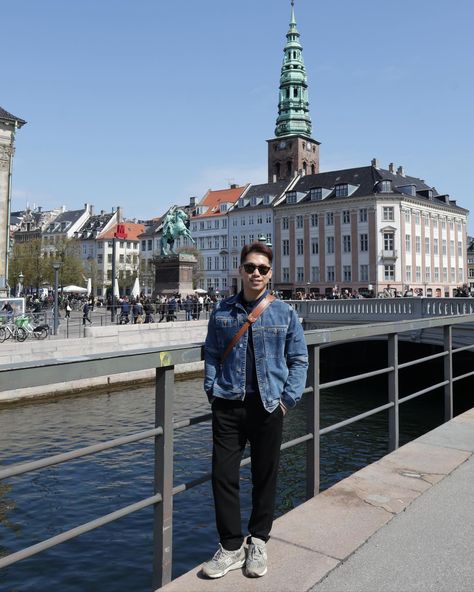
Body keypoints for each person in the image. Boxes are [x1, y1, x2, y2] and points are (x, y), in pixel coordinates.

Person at [202, 242, 308, 580]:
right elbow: (211, 355)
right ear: (240, 270)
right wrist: (212, 392)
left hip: (267, 406)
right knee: (223, 476)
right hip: (228, 405)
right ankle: (231, 546)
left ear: (271, 273)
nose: (256, 273)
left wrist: (286, 401)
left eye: (262, 268)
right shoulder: (221, 312)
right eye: (250, 267)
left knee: (265, 476)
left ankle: (258, 540)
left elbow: (299, 360)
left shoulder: (285, 313)